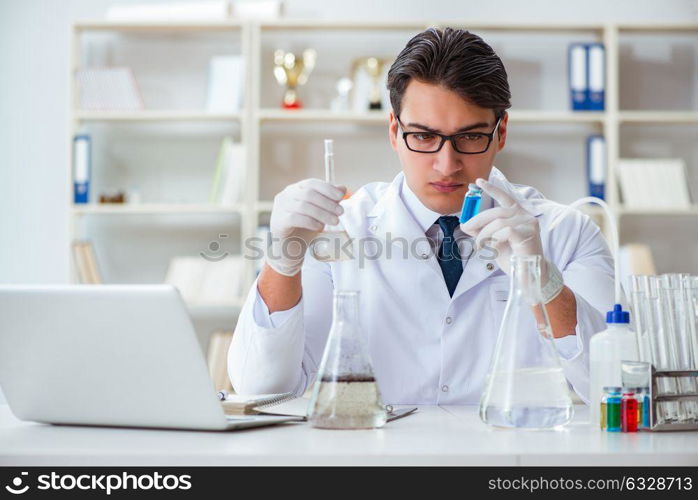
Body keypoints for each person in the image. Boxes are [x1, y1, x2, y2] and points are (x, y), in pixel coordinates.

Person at [228, 27, 614, 404]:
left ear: (501, 133)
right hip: (378, 463)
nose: (447, 165)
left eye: (470, 137)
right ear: (395, 131)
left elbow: (612, 387)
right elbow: (263, 388)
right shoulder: (339, 229)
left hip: (513, 462)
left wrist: (541, 280)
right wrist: (281, 258)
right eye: (424, 137)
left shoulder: (567, 232)